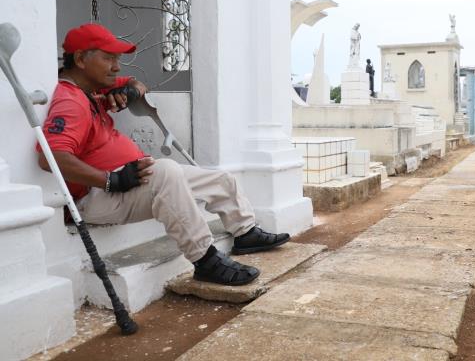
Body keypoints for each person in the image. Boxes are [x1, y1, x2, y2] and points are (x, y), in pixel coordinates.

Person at [37, 23, 289, 286]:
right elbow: (50, 157)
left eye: (118, 59)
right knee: (166, 170)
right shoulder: (71, 100)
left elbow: (138, 84)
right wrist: (111, 179)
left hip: (132, 181)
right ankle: (205, 260)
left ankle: (245, 233)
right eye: (108, 58)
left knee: (220, 179)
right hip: (96, 198)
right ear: (80, 59)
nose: (116, 67)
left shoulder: (93, 88)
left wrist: (129, 90)